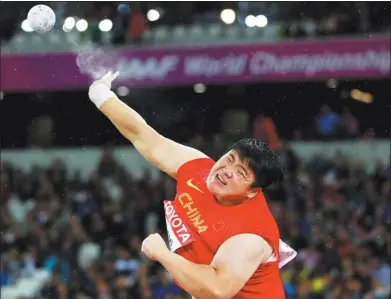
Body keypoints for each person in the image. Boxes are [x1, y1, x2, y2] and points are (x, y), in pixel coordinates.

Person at [88, 72, 297, 299]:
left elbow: (217, 289)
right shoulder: (198, 170)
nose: (227, 171)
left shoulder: (252, 233)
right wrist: (102, 96)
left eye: (240, 173)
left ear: (252, 192)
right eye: (230, 159)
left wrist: (162, 254)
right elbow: (145, 136)